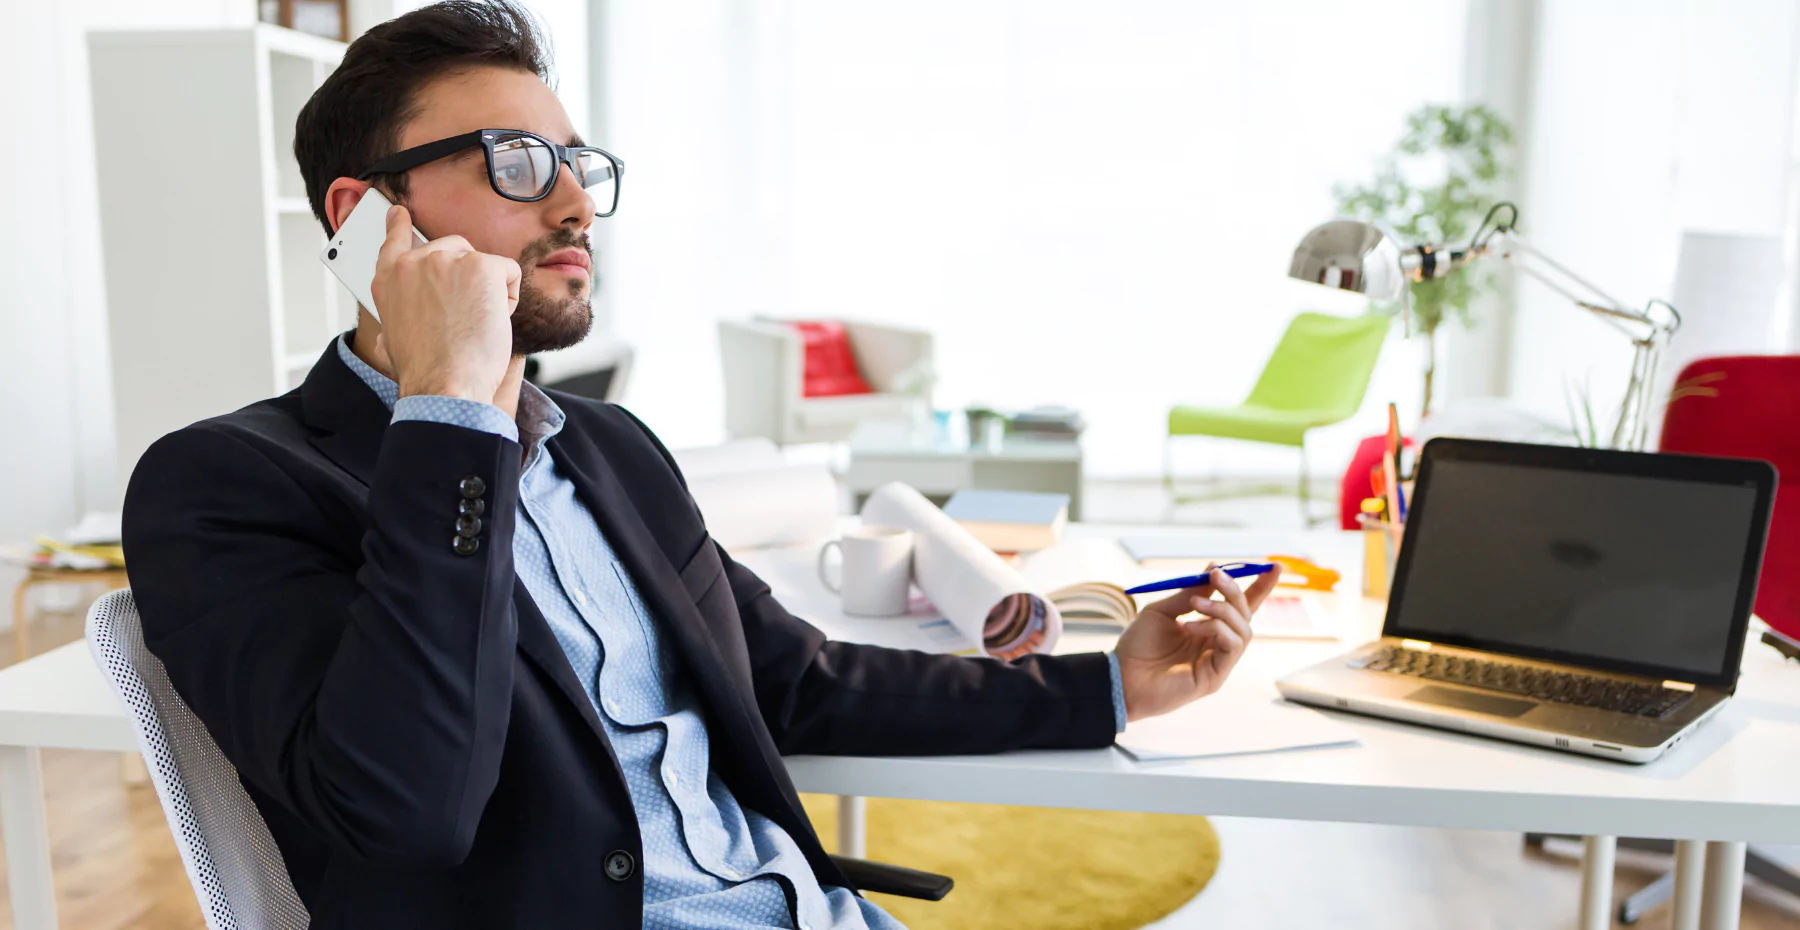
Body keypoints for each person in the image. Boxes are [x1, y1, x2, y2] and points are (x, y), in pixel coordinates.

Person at [120, 3, 1281, 928]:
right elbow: (404, 809)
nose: (576, 201)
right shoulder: (224, 485)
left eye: (577, 163)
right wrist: (446, 417)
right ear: (372, 217)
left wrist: (1112, 685)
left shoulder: (612, 448)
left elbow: (798, 679)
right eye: (520, 163)